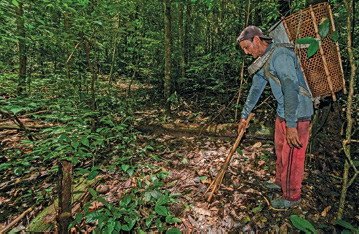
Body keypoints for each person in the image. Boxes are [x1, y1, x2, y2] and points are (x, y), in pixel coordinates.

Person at [236, 26, 314, 209]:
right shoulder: (265, 60)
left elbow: (291, 87)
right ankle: (281, 182)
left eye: (247, 47)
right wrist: (244, 115)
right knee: (280, 152)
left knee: (292, 157)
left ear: (256, 39)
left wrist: (292, 125)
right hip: (283, 113)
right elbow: (256, 88)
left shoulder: (281, 55)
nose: (247, 52)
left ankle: (292, 198)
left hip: (297, 114)